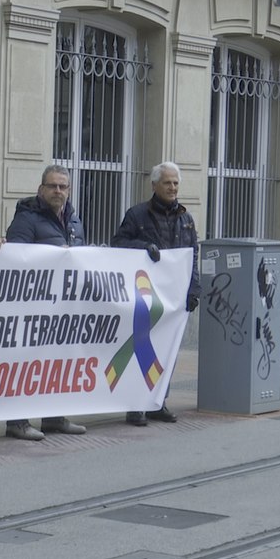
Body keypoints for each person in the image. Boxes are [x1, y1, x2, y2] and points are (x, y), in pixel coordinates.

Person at [2, 165, 88, 440]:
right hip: (32, 307)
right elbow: (15, 258)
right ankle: (17, 421)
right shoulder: (27, 219)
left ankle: (53, 417)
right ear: (41, 189)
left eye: (63, 187)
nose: (58, 191)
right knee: (25, 364)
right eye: (53, 186)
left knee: (57, 363)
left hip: (63, 308)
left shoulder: (74, 221)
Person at [112, 161, 201, 426]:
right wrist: (143, 246)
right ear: (154, 185)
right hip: (145, 295)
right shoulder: (137, 215)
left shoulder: (186, 219)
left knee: (168, 351)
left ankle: (158, 401)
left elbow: (193, 256)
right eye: (167, 183)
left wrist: (194, 287)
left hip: (175, 297)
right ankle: (136, 406)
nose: (172, 187)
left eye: (175, 183)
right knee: (142, 348)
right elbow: (118, 244)